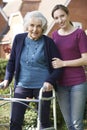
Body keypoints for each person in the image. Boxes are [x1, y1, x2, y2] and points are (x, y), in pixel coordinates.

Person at [2, 11, 62, 130]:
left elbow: (58, 68)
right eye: (32, 25)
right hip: (22, 85)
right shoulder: (19, 39)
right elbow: (12, 62)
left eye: (39, 26)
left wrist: (50, 81)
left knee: (43, 122)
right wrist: (7, 79)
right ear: (27, 26)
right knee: (15, 122)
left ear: (43, 28)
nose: (35, 29)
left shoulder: (48, 43)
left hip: (43, 86)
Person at [51, 4, 87, 130]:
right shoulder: (54, 36)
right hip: (60, 84)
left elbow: (85, 60)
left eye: (62, 16)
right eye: (56, 18)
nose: (60, 20)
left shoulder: (79, 33)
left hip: (78, 83)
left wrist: (63, 63)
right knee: (69, 123)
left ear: (68, 15)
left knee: (77, 123)